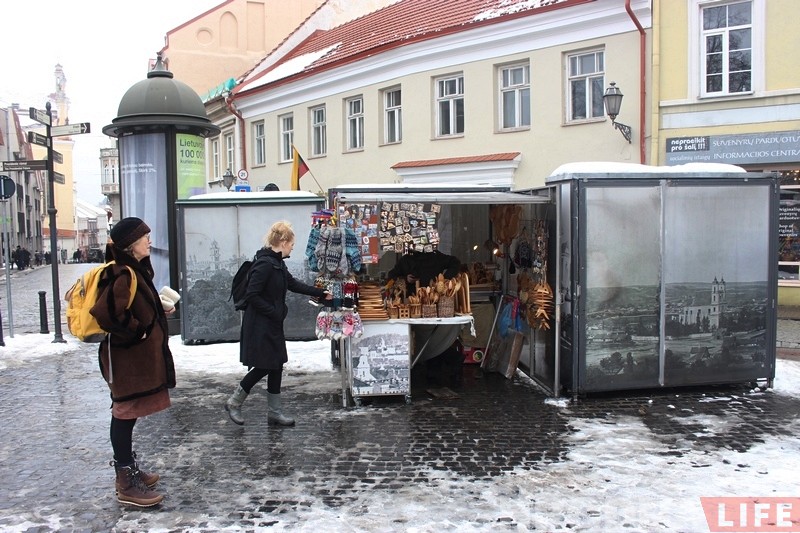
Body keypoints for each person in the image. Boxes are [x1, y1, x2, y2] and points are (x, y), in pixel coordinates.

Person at [90, 217, 176, 508]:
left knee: (129, 412)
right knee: (124, 413)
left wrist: (157, 311)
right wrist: (138, 330)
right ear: (131, 244)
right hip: (126, 361)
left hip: (134, 361)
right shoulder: (123, 273)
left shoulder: (135, 270)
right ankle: (125, 480)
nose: (149, 241)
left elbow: (133, 306)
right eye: (145, 237)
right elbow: (107, 314)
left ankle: (129, 468)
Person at [225, 220, 331, 426]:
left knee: (276, 365)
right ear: (282, 241)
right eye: (291, 242)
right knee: (264, 366)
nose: (293, 246)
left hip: (271, 324)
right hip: (260, 325)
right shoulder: (265, 265)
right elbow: (251, 295)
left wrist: (320, 293)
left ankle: (274, 412)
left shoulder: (277, 264)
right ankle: (234, 402)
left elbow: (293, 284)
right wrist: (273, 312)